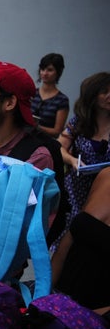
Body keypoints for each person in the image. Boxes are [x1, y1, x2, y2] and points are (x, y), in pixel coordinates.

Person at [55, 72, 110, 243]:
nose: (109, 96)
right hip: (78, 186)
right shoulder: (80, 121)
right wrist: (72, 161)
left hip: (105, 187)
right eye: (104, 92)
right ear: (93, 95)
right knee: (71, 232)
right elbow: (60, 148)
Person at [52, 167, 110, 313]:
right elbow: (71, 237)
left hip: (94, 323)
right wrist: (43, 292)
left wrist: (84, 318)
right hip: (58, 303)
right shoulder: (105, 175)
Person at [30, 53, 69, 138]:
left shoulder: (62, 100)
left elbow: (57, 131)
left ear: (58, 72)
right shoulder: (32, 93)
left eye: (49, 70)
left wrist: (36, 126)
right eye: (42, 69)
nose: (44, 73)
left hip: (46, 142)